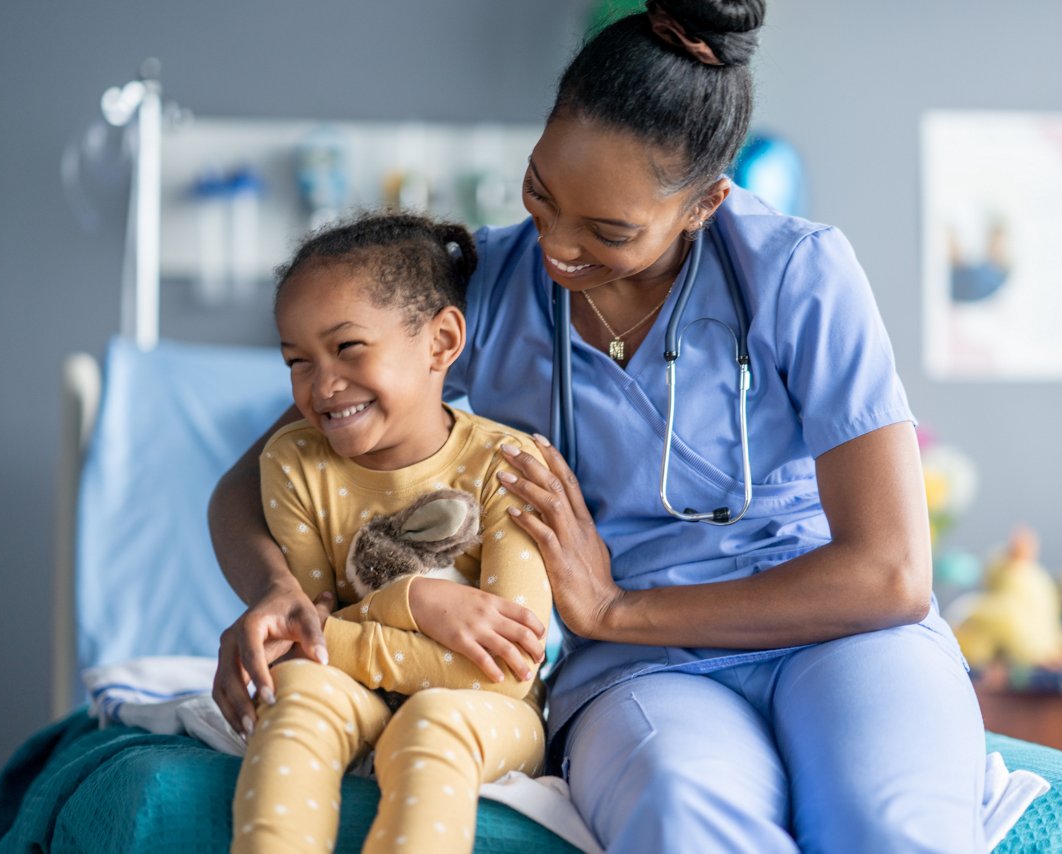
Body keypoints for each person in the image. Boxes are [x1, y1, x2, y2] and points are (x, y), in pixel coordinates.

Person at [211, 2, 988, 850]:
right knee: (683, 814)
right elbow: (250, 482)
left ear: (704, 204)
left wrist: (615, 606)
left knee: (891, 826)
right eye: (541, 192)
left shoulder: (799, 273)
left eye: (609, 231)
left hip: (837, 634)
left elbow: (891, 573)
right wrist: (276, 593)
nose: (555, 247)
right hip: (644, 677)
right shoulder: (485, 290)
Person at [230, 211, 552, 854]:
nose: (321, 386)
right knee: (295, 694)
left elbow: (505, 675)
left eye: (348, 348)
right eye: (297, 361)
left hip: (493, 713)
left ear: (441, 342)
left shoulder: (509, 467)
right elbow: (307, 640)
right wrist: (415, 603)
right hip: (352, 691)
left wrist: (349, 631)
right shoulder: (293, 463)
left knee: (433, 722)